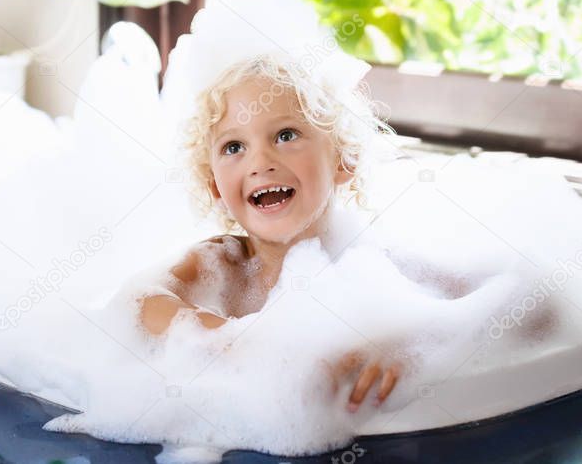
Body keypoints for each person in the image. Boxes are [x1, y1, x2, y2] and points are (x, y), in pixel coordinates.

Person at [138, 52, 404, 412]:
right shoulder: (221, 263)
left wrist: (398, 347)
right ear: (214, 184)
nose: (260, 162)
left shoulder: (373, 268)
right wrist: (245, 345)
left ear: (344, 159)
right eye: (234, 147)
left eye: (285, 135)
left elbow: (448, 320)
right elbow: (141, 304)